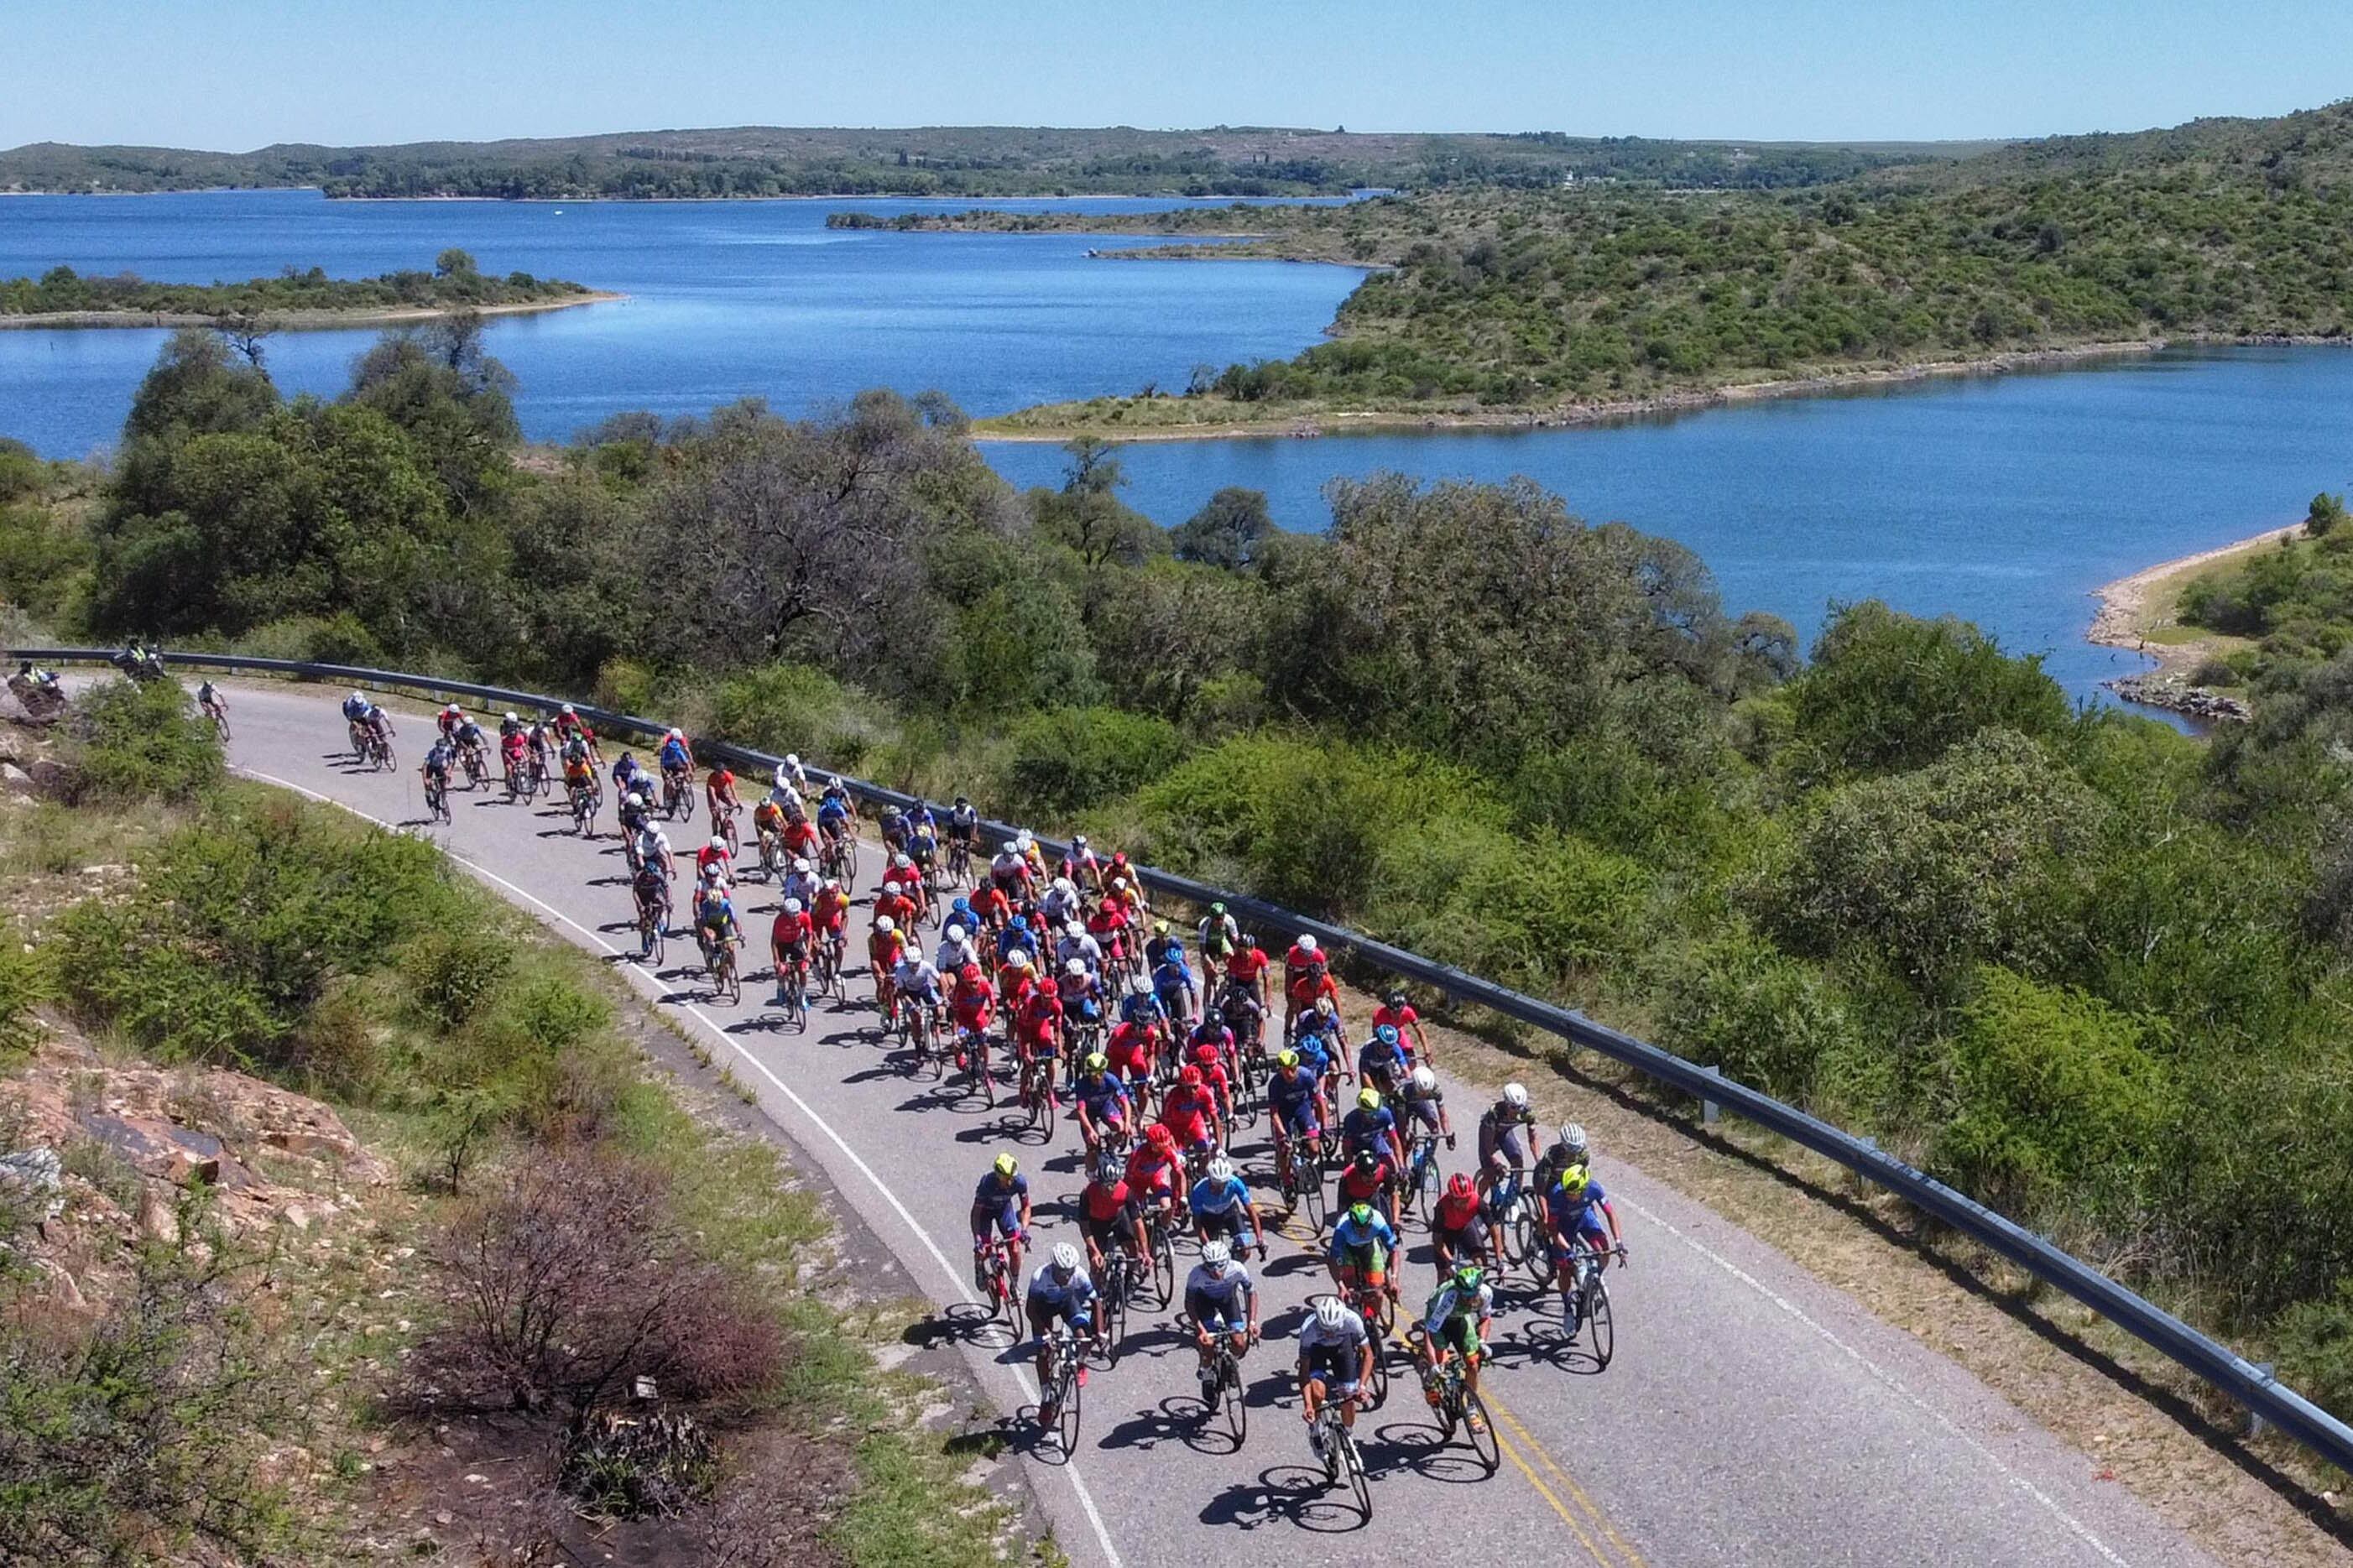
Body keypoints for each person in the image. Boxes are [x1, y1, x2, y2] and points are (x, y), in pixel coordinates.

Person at [1542, 1163, 1627, 1331]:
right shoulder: (1557, 1195)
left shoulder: (1594, 1188)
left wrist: (1618, 1243)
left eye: (1573, 1194)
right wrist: (1568, 1250)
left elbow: (1610, 1213)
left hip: (1584, 1218)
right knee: (1565, 1269)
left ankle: (1594, 1280)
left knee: (1604, 1251)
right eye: (1567, 1192)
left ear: (1583, 1189)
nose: (1568, 1196)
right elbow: (1553, 1230)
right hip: (1563, 1227)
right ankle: (1567, 1309)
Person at [1417, 1263, 1496, 1429]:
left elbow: (1485, 1319)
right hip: (1439, 1325)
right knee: (1442, 1365)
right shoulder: (1447, 1298)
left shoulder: (1485, 1293)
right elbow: (1429, 1333)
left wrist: (1482, 1341)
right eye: (1464, 1295)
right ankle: (1432, 1386)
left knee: (1473, 1364)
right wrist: (1433, 1365)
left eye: (1471, 1295)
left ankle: (1472, 1408)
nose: (1468, 1299)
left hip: (1460, 1319)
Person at [1026, 1242, 1098, 1417]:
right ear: (1054, 1268)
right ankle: (1045, 1398)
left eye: (1070, 1272)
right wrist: (1045, 1333)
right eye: (1062, 1272)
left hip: (1067, 1303)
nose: (1067, 1276)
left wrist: (1100, 1332)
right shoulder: (1039, 1277)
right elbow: (1030, 1310)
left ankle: (1079, 1362)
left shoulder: (1080, 1274)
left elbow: (1097, 1302)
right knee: (1044, 1353)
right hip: (1043, 1309)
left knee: (1083, 1337)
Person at [1183, 1239, 1258, 1403]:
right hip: (1205, 1305)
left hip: (1227, 1302)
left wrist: (1252, 1323)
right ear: (1204, 1264)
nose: (1216, 1271)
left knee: (1239, 1343)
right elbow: (1189, 1304)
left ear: (1228, 1261)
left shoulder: (1237, 1269)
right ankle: (1207, 1370)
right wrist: (1201, 1330)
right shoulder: (1196, 1275)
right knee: (1208, 1343)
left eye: (1220, 1266)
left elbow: (1251, 1292)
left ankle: (1230, 1362)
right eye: (1211, 1266)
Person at [1297, 1296, 1373, 1452]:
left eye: (1334, 1329)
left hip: (1342, 1348)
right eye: (1325, 1329)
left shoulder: (1352, 1320)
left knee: (1348, 1396)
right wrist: (1308, 1405)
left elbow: (1368, 1355)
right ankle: (1316, 1428)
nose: (1330, 1333)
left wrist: (1363, 1386)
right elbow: (1304, 1371)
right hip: (1318, 1350)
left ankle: (1348, 1435)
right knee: (1318, 1394)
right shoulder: (1308, 1329)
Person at [1077, 1149, 1149, 1282]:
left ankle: (1129, 1282)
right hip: (1096, 1223)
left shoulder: (1126, 1192)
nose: (1109, 1190)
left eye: (1112, 1186)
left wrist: (1145, 1252)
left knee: (1132, 1254)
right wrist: (1094, 1251)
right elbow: (1085, 1227)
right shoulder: (1087, 1193)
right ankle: (1097, 1287)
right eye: (1105, 1186)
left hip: (1118, 1218)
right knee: (1097, 1265)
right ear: (1099, 1182)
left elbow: (1138, 1222)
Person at [971, 1153, 1033, 1292]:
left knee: (1015, 1250)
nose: (1010, 1182)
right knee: (984, 1251)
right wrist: (978, 1240)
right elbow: (976, 1214)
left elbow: (1026, 1207)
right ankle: (979, 1266)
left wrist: (1024, 1230)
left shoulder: (1020, 1181)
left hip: (1004, 1210)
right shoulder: (987, 1184)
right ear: (999, 1176)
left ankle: (1014, 1285)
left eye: (1012, 1177)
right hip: (985, 1213)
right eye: (1006, 1179)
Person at [1265, 1050, 1324, 1191]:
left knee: (1314, 1147)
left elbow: (1320, 1102)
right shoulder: (1275, 1084)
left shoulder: (1306, 1076)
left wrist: (1323, 1127)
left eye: (1292, 1069)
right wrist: (1283, 1134)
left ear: (1297, 1066)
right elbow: (1274, 1114)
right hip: (1284, 1114)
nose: (1290, 1074)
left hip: (1302, 1109)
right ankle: (1288, 1185)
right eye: (1286, 1071)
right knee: (1284, 1150)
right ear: (1281, 1070)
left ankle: (1312, 1166)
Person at [1475, 1081, 1537, 1212]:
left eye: (1519, 1107)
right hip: (1489, 1135)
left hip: (1504, 1134)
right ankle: (1475, 1205)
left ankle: (1513, 1200)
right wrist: (1496, 1164)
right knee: (1490, 1172)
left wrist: (1538, 1161)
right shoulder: (1494, 1113)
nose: (1516, 1111)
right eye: (1513, 1107)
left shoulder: (1527, 1113)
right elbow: (1488, 1149)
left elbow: (1533, 1138)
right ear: (1506, 1103)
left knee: (1518, 1162)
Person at [1187, 1154, 1262, 1259]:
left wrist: (1260, 1239)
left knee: (1246, 1252)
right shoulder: (1199, 1190)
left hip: (1229, 1211)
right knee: (1213, 1257)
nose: (1220, 1188)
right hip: (1208, 1216)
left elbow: (1251, 1211)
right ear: (1209, 1179)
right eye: (1216, 1184)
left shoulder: (1235, 1182)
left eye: (1224, 1184)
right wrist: (1207, 1244)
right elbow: (1197, 1222)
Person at [1329, 1199, 1400, 1307]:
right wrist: (1340, 1287)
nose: (1363, 1232)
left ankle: (1371, 1318)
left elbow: (1394, 1251)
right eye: (1358, 1228)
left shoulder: (1379, 1222)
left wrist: (1394, 1279)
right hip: (1348, 1249)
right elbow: (1332, 1260)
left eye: (1367, 1227)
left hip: (1369, 1247)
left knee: (1378, 1294)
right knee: (1349, 1290)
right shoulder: (1342, 1229)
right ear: (1351, 1223)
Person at [1430, 1172, 1498, 1274]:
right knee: (1445, 1275)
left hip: (1465, 1227)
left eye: (1467, 1199)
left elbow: (1494, 1232)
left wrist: (1500, 1261)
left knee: (1481, 1265)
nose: (1465, 1204)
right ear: (1452, 1198)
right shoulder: (1442, 1206)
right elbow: (1437, 1240)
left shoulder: (1477, 1201)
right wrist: (1451, 1261)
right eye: (1461, 1201)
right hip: (1446, 1233)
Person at [1075, 1053, 1135, 1154]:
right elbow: (1081, 1112)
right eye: (1094, 1074)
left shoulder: (1111, 1080)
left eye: (1101, 1073)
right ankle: (1091, 1170)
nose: (1098, 1077)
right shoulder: (1082, 1084)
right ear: (1088, 1073)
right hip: (1089, 1112)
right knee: (1092, 1147)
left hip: (1105, 1106)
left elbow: (1125, 1102)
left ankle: (1111, 1147)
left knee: (1120, 1127)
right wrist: (1090, 1130)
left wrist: (1128, 1122)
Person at [1339, 1086, 1406, 1172]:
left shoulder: (1385, 1114)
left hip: (1376, 1141)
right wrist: (1350, 1165)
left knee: (1391, 1166)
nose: (1374, 1117)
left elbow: (1394, 1140)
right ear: (1362, 1111)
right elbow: (1346, 1146)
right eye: (1370, 1114)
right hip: (1357, 1145)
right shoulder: (1351, 1119)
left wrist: (1401, 1166)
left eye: (1376, 1112)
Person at [1336, 1145, 1401, 1230]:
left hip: (1372, 1197)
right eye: (1367, 1176)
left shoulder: (1383, 1170)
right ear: (1358, 1173)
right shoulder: (1347, 1176)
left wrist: (1396, 1221)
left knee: (1384, 1228)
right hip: (1352, 1200)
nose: (1371, 1179)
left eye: (1373, 1175)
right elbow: (1342, 1208)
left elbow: (1394, 1194)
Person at [948, 961, 996, 1076]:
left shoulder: (985, 986)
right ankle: (959, 1057)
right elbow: (955, 1014)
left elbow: (993, 1006)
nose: (973, 986)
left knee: (984, 1044)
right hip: (963, 1019)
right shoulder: (959, 991)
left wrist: (987, 1026)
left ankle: (985, 1072)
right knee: (960, 1041)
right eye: (969, 983)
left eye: (975, 982)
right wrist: (955, 1034)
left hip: (978, 1017)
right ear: (964, 982)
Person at [771, 897, 813, 1008]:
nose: (795, 917)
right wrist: (776, 960)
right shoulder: (780, 920)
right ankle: (781, 985)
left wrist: (808, 953)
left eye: (797, 913)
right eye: (792, 914)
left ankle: (802, 996)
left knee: (802, 969)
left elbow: (809, 936)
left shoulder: (804, 917)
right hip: (781, 944)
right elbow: (774, 941)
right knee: (781, 969)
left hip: (795, 943)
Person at [1374, 989, 1432, 1066]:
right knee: (1385, 1062)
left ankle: (1402, 1077)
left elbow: (1420, 1031)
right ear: (1388, 1009)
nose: (1398, 1015)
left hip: (1399, 1031)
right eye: (1395, 1012)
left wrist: (1427, 1051)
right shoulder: (1379, 1015)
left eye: (1400, 1011)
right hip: (1385, 1035)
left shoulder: (1408, 1011)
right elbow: (1376, 1037)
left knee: (1412, 1063)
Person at [868, 916, 908, 1024]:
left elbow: (906, 951)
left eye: (889, 932)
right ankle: (883, 1010)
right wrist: (879, 972)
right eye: (883, 933)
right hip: (880, 960)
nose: (887, 936)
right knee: (881, 984)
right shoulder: (873, 939)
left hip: (894, 957)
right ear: (878, 931)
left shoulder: (898, 935)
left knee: (899, 979)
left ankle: (899, 999)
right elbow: (873, 959)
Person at [1357, 1023, 1410, 1099]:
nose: (1388, 1049)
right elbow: (1365, 1075)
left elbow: (1406, 1069)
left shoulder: (1395, 1048)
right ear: (1378, 1043)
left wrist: (1410, 1088)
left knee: (1391, 1087)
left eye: (1391, 1046)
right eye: (1385, 1046)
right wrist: (1374, 1093)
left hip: (1383, 1064)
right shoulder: (1368, 1050)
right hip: (1369, 1065)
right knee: (1369, 1093)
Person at [705, 759, 739, 824]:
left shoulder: (728, 775)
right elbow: (712, 792)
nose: (721, 774)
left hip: (722, 790)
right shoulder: (712, 777)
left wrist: (737, 801)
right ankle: (715, 832)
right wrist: (715, 804)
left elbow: (732, 789)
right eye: (718, 772)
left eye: (722, 772)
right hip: (712, 792)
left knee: (732, 804)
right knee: (715, 814)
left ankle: (727, 818)